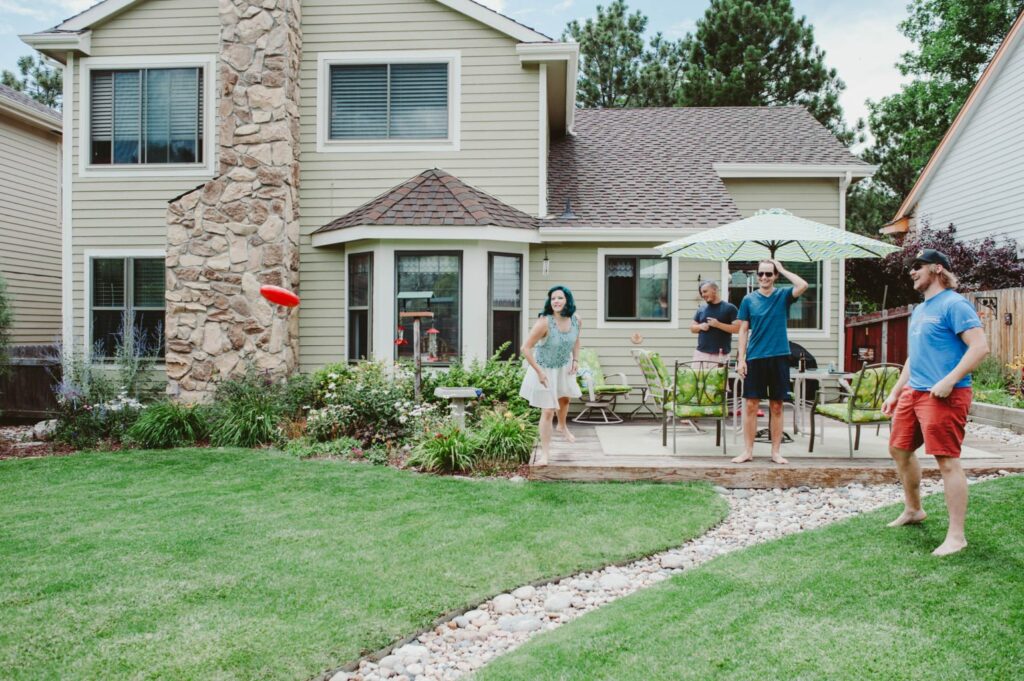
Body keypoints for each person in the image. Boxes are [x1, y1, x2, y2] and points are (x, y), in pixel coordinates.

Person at [881, 248, 987, 556]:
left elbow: (979, 347)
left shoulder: (955, 304)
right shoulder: (919, 309)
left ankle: (957, 536)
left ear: (937, 269)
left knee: (946, 460)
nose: (911, 272)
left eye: (918, 266)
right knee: (899, 448)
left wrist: (950, 379)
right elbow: (915, 356)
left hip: (943, 394)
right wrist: (896, 391)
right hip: (915, 392)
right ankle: (914, 509)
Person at [733, 259, 808, 465]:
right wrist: (741, 359)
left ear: (775, 276)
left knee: (777, 406)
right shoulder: (748, 300)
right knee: (750, 405)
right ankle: (748, 451)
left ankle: (775, 452)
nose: (764, 278)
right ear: (756, 276)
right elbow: (742, 330)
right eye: (761, 274)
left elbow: (802, 285)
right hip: (755, 358)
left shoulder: (782, 295)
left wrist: (783, 268)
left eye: (768, 274)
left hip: (779, 357)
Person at [519, 285, 583, 464]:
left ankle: (562, 425)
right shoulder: (544, 322)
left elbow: (576, 340)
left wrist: (576, 361)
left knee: (565, 399)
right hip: (544, 369)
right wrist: (539, 372)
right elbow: (525, 348)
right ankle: (545, 454)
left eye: (560, 298)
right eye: (553, 298)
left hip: (564, 366)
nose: (556, 301)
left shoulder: (576, 320)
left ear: (567, 300)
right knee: (548, 411)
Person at [690, 280, 739, 363]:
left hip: (720, 356)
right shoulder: (701, 309)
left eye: (705, 291)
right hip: (701, 354)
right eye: (701, 293)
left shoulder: (730, 308)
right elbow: (692, 328)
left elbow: (737, 329)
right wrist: (700, 327)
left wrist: (718, 325)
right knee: (698, 377)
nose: (703, 295)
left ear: (715, 290)